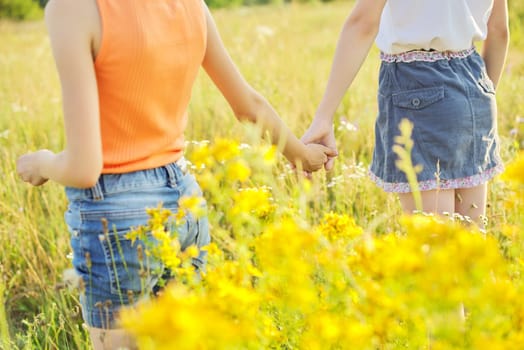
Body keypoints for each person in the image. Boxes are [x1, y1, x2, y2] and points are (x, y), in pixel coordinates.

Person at [16, 0, 336, 348]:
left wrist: (41, 162)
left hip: (117, 214)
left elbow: (83, 168)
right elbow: (249, 106)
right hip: (185, 200)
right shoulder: (190, 4)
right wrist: (302, 155)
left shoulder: (72, 10)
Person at [301, 0, 509, 225]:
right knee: (469, 242)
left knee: (433, 245)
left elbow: (363, 23)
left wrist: (324, 116)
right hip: (477, 85)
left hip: (418, 87)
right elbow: (499, 31)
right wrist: (475, 104)